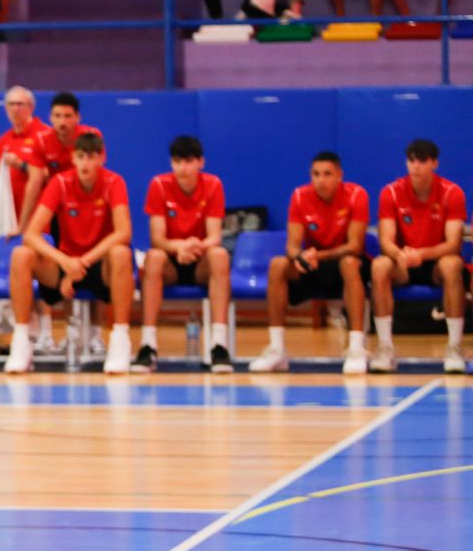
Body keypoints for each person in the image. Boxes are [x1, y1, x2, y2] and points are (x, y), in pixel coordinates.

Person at [6, 132, 133, 375]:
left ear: (102, 158)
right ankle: (21, 341)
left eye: (92, 157)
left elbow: (123, 232)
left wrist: (81, 263)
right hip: (65, 261)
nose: (86, 163)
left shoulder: (114, 182)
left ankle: (120, 338)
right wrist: (65, 262)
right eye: (81, 157)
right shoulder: (61, 183)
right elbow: (31, 233)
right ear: (74, 159)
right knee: (21, 254)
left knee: (121, 254)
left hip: (98, 263)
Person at [248, 152, 369, 375]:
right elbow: (292, 246)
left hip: (341, 265)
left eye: (327, 174)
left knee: (350, 263)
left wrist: (318, 256)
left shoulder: (356, 195)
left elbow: (355, 245)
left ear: (339, 175)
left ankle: (356, 348)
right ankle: (277, 348)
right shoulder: (300, 196)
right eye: (315, 174)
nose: (320, 180)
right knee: (278, 265)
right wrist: (300, 257)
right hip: (312, 265)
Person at [134, 136, 231, 374]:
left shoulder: (213, 184)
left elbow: (214, 236)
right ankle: (148, 345)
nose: (183, 168)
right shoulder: (158, 184)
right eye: (177, 162)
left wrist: (195, 246)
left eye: (188, 162)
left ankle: (219, 345)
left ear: (201, 162)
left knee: (219, 255)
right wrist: (180, 247)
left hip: (201, 261)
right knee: (153, 257)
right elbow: (157, 238)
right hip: (171, 260)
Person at [370, 139, 467, 373]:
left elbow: (453, 244)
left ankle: (454, 347)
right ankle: (385, 347)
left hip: (435, 262)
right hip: (403, 262)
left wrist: (421, 254)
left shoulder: (452, 193)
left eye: (422, 161)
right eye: (411, 160)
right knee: (380, 265)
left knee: (453, 264)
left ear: (434, 163)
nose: (415, 166)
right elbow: (385, 241)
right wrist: (400, 254)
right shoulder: (391, 193)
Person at [0, 85, 50, 235]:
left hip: (39, 215)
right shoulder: (3, 141)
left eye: (20, 104)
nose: (15, 109)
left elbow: (51, 175)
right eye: (11, 104)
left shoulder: (46, 136)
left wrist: (21, 165)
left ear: (31, 107)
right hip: (8, 214)